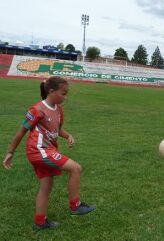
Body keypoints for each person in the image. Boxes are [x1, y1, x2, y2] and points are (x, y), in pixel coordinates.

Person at [2, 76, 96, 230]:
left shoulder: (59, 109)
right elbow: (21, 132)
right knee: (76, 168)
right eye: (63, 93)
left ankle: (40, 222)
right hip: (39, 151)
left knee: (46, 186)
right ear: (51, 91)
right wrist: (10, 152)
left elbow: (57, 129)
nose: (65, 97)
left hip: (47, 150)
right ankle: (75, 206)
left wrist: (68, 136)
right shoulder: (37, 110)